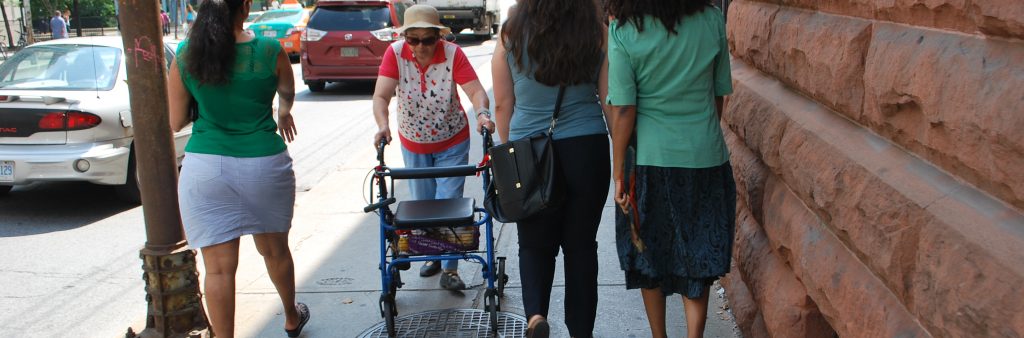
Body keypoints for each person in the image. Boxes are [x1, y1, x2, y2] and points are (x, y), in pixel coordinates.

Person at [166, 0, 310, 336]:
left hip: (206, 167)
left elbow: (175, 121)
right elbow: (287, 92)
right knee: (275, 251)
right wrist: (282, 113)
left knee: (218, 270)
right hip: (264, 162)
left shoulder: (187, 54)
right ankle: (291, 316)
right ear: (245, 7)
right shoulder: (270, 50)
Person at [605, 1, 736, 337]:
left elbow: (623, 110)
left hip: (651, 162)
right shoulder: (711, 19)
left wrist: (619, 170)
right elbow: (718, 93)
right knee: (699, 253)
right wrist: (701, 135)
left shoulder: (624, 29)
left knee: (648, 254)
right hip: (706, 156)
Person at [491, 0, 608, 336]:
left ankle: (536, 316)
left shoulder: (510, 34)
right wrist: (624, 164)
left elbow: (502, 103)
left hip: (531, 151)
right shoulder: (596, 32)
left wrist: (512, 154)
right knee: (582, 247)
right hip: (587, 148)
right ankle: (581, 331)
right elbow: (609, 97)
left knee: (534, 244)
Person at [371, 4, 494, 291]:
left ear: (439, 36)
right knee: (423, 206)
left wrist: (483, 115)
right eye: (413, 40)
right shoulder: (395, 53)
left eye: (428, 40)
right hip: (414, 141)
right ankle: (433, 256)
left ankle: (450, 269)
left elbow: (475, 91)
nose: (420, 46)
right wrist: (382, 124)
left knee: (449, 204)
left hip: (452, 139)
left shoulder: (452, 54)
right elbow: (381, 96)